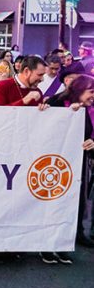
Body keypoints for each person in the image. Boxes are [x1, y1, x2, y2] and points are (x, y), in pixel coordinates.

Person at [48, 75, 94, 250]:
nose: (93, 96)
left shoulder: (90, 110)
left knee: (78, 197)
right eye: (91, 91)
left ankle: (77, 232)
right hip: (53, 162)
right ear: (78, 90)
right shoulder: (57, 102)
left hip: (79, 163)